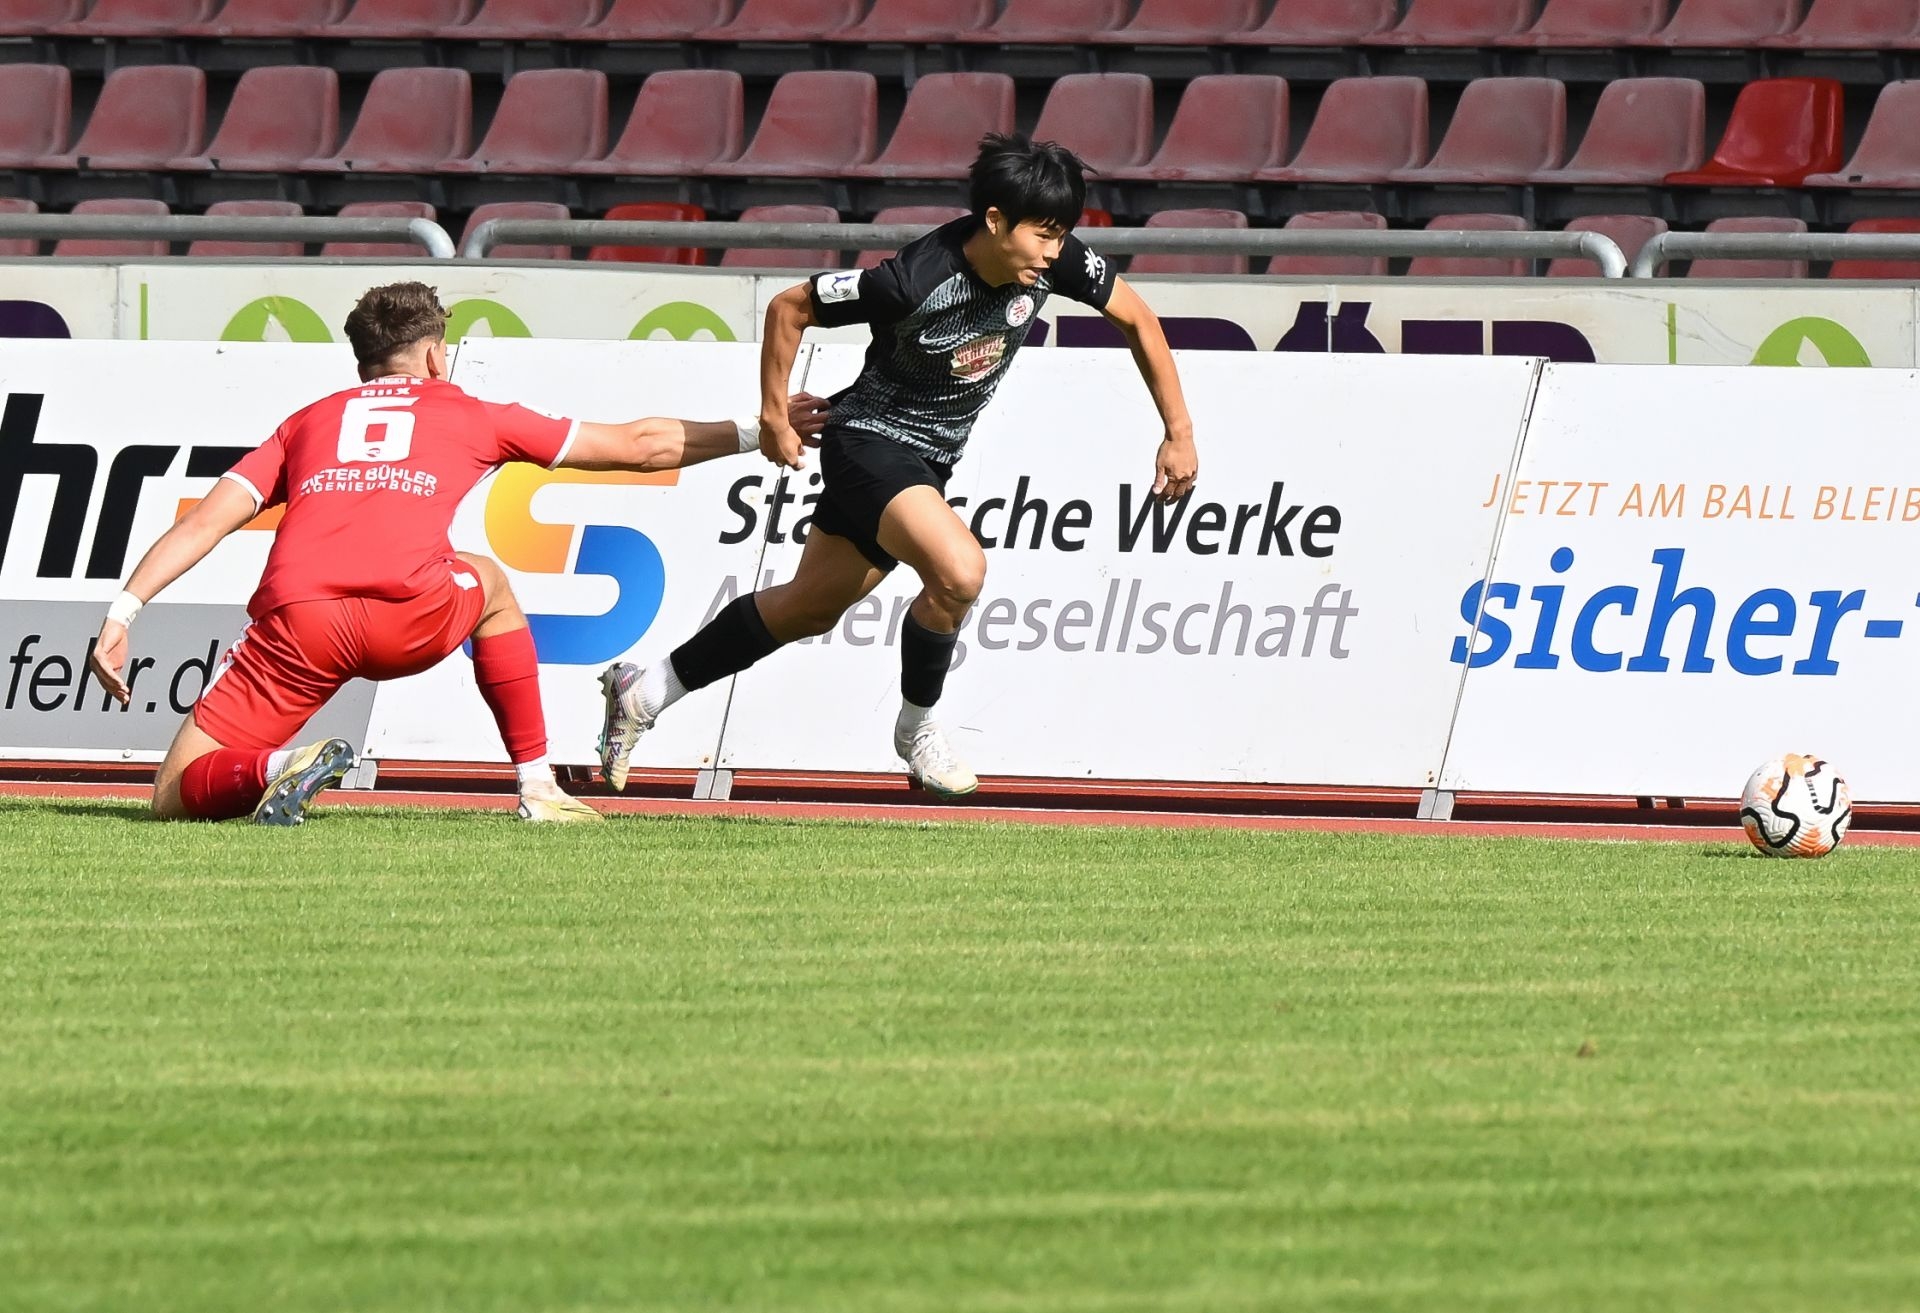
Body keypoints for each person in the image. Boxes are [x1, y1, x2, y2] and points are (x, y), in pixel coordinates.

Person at [90, 281, 827, 826]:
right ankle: (537, 786)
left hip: (301, 624)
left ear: (363, 362)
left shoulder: (305, 423)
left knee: (174, 791)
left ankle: (277, 766)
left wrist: (123, 613)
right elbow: (638, 447)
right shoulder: (471, 412)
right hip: (411, 614)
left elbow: (204, 524)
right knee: (491, 583)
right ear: (436, 354)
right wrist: (754, 429)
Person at [597, 133, 1200, 797]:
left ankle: (643, 691)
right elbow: (789, 307)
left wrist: (1179, 432)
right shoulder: (911, 281)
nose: (1056, 251)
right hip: (867, 442)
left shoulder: (1054, 262)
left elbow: (1138, 319)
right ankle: (917, 730)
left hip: (929, 462)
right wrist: (772, 416)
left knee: (806, 609)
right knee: (960, 571)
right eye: (1044, 234)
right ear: (995, 221)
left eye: (1062, 235)